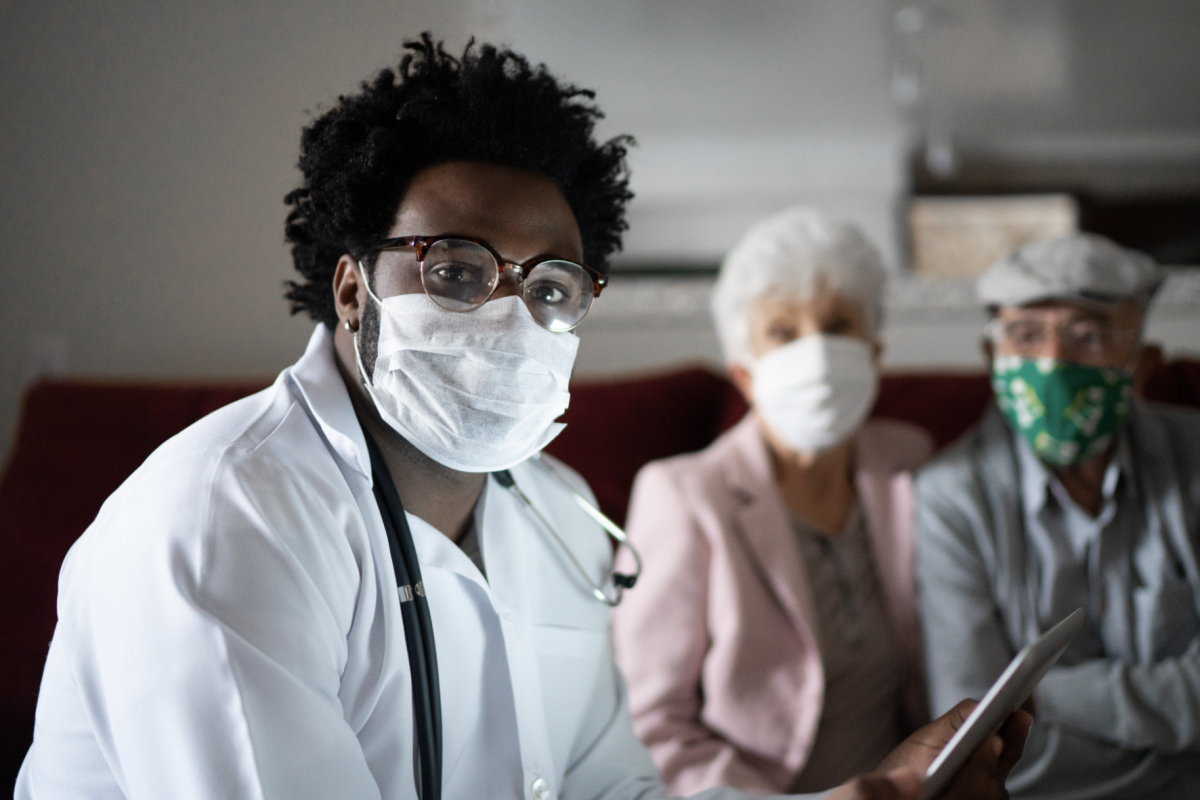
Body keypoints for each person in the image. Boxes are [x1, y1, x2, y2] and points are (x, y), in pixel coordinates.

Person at [16, 37, 1026, 800]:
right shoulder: (225, 520)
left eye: (551, 288)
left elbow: (614, 790)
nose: (510, 314)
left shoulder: (557, 512)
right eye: (455, 270)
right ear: (353, 290)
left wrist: (872, 793)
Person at [613, 208, 937, 795]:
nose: (815, 352)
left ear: (875, 354)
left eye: (839, 324)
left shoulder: (909, 462)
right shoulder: (684, 495)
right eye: (783, 332)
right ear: (744, 372)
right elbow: (648, 723)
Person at [916, 232, 1200, 798]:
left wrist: (1044, 698)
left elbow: (1003, 719)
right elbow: (971, 736)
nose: (1052, 363)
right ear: (990, 358)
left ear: (1144, 364)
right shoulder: (948, 495)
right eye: (1025, 335)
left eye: (1087, 336)